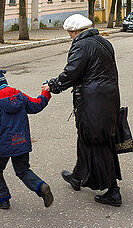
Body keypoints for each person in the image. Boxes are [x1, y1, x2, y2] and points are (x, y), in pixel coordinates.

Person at [47, 14, 123, 207]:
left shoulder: (81, 46)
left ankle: (113, 191)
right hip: (108, 98)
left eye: (69, 33)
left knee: (97, 142)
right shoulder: (104, 42)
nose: (69, 37)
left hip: (93, 102)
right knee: (86, 138)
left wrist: (52, 85)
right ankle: (78, 176)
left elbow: (72, 72)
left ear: (75, 31)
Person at [0, 69, 54, 210]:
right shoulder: (20, 97)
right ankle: (41, 187)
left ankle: (2, 199)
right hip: (21, 142)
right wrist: (45, 93)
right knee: (22, 170)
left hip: (3, 147)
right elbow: (37, 105)